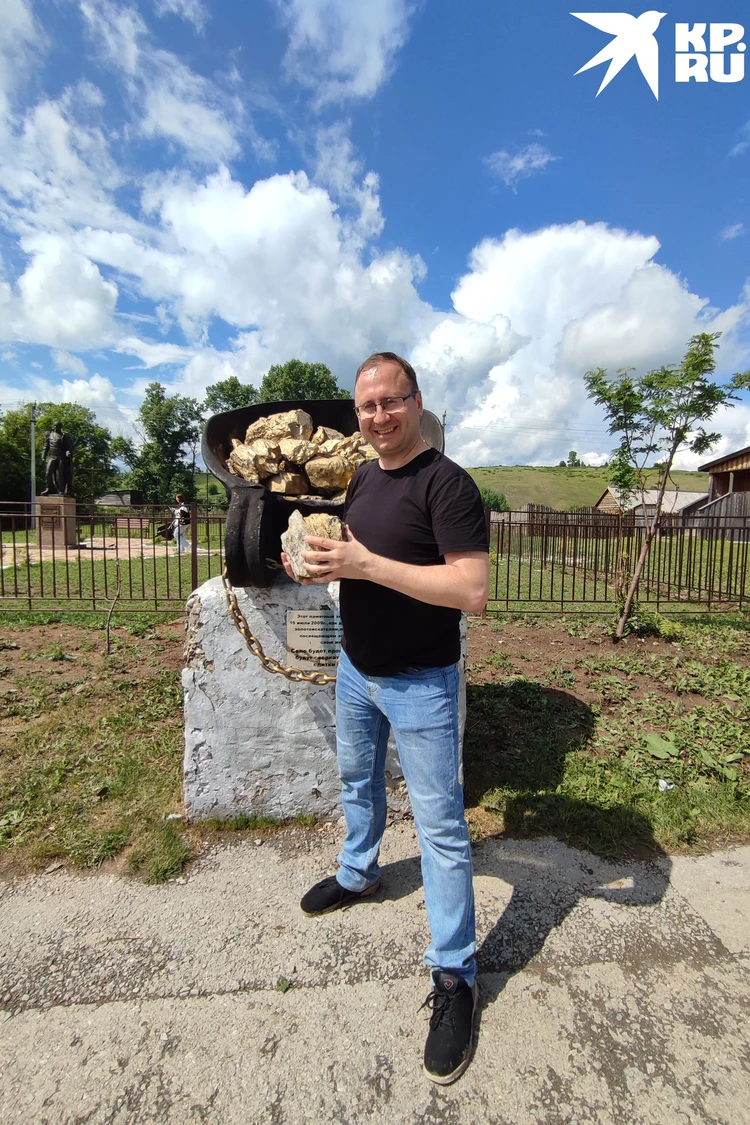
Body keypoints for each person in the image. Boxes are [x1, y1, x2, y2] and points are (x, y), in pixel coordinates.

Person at [281, 352, 489, 1084]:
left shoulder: (448, 484)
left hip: (423, 684)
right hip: (358, 671)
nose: (377, 417)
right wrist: (309, 560)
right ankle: (359, 871)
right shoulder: (364, 476)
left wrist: (367, 566)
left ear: (416, 401)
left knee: (439, 826)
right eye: (366, 406)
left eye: (390, 402)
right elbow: (350, 553)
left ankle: (456, 974)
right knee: (356, 780)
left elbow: (471, 589)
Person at [41, 423, 74, 496]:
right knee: (48, 473)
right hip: (52, 456)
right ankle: (49, 488)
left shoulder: (63, 436)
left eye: (57, 426)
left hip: (60, 457)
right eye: (54, 426)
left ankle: (61, 490)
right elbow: (46, 447)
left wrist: (67, 452)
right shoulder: (50, 435)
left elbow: (67, 447)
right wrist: (43, 456)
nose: (55, 427)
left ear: (60, 427)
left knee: (61, 474)